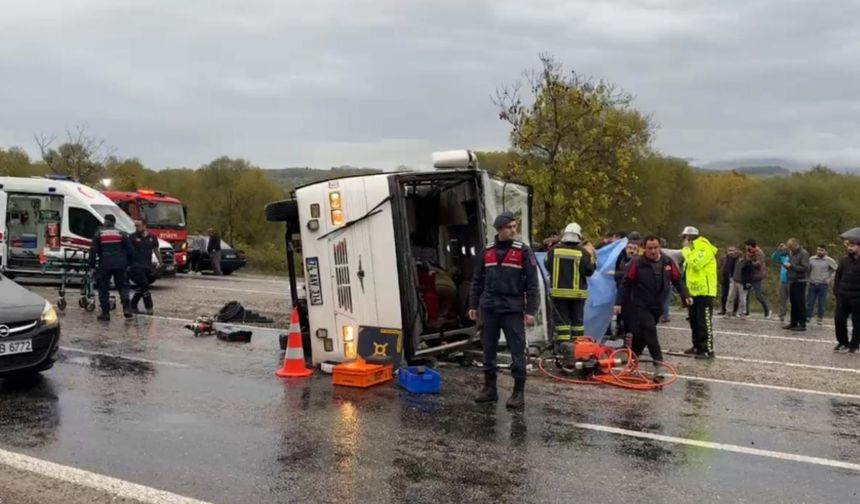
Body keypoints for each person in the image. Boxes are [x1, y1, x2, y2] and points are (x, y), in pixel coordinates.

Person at [469, 211, 539, 410]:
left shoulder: (523, 251)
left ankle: (518, 392)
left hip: (512, 308)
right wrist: (473, 305)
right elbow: (477, 280)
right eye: (510, 227)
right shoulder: (487, 251)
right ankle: (490, 389)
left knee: (517, 350)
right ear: (499, 229)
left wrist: (531, 311)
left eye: (514, 226)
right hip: (489, 307)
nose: (514, 230)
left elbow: (532, 285)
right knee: (488, 349)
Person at [614, 236, 692, 379]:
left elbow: (677, 280)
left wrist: (685, 295)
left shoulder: (667, 262)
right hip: (639, 304)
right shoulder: (637, 263)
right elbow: (625, 283)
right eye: (650, 248)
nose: (653, 251)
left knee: (641, 336)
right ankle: (658, 363)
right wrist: (618, 303)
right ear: (645, 248)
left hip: (657, 305)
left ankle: (633, 358)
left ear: (659, 247)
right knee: (650, 329)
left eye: (656, 247)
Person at [545, 222, 596, 351]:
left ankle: (562, 350)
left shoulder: (553, 250)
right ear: (579, 236)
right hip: (577, 295)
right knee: (577, 324)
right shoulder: (583, 253)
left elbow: (547, 265)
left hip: (558, 294)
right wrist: (593, 257)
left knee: (561, 324)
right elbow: (590, 271)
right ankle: (578, 350)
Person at [680, 226, 718, 359]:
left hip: (705, 292)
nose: (682, 242)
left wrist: (685, 251)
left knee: (704, 322)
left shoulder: (704, 247)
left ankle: (707, 349)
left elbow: (696, 264)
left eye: (683, 238)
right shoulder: (692, 250)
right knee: (693, 320)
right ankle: (697, 346)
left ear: (688, 238)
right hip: (693, 293)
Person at [88, 214, 133, 321]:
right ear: (114, 223)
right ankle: (126, 308)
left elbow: (93, 251)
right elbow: (130, 250)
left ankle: (105, 313)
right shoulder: (121, 233)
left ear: (105, 222)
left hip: (105, 264)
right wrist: (128, 263)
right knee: (123, 286)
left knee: (103, 288)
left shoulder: (99, 234)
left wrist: (92, 266)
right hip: (120, 264)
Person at [129, 219, 161, 315]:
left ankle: (132, 304)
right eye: (135, 226)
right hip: (136, 266)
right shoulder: (132, 237)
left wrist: (160, 261)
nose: (136, 228)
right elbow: (128, 251)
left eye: (138, 226)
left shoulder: (152, 237)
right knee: (145, 286)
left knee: (142, 286)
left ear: (144, 226)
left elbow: (156, 250)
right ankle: (149, 307)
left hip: (147, 266)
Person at [833, 238, 860, 353]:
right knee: (839, 319)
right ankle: (843, 342)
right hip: (843, 296)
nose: (849, 247)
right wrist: (837, 292)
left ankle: (854, 344)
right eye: (849, 245)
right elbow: (838, 276)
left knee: (857, 322)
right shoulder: (844, 260)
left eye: (853, 245)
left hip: (857, 297)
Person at [783, 238, 810, 331]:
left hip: (800, 280)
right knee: (793, 302)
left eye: (790, 247)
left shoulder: (804, 253)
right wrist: (787, 266)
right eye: (788, 247)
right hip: (792, 279)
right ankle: (793, 322)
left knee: (800, 303)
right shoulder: (791, 253)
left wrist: (792, 266)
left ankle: (802, 324)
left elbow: (805, 268)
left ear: (796, 245)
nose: (789, 249)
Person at [807, 245, 838, 325]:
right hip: (812, 283)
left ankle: (820, 318)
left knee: (821, 303)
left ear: (825, 251)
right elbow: (807, 269)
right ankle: (808, 317)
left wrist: (830, 278)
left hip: (823, 284)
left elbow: (837, 270)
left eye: (821, 250)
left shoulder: (829, 260)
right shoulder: (811, 259)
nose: (819, 251)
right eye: (818, 250)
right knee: (810, 302)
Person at [744, 239, 772, 318]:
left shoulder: (760, 253)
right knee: (746, 295)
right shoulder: (748, 253)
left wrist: (750, 262)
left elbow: (759, 264)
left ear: (750, 245)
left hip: (757, 276)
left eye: (746, 245)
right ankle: (746, 312)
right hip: (749, 276)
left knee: (758, 295)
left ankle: (767, 310)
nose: (745, 247)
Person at [726, 251, 752, 320]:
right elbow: (730, 266)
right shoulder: (735, 260)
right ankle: (728, 311)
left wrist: (748, 282)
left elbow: (750, 273)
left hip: (743, 283)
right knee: (730, 296)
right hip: (734, 281)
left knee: (742, 299)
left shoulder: (748, 263)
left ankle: (742, 313)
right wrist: (731, 276)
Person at [718, 246, 741, 316]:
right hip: (725, 279)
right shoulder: (723, 259)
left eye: (733, 250)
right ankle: (723, 309)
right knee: (724, 295)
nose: (731, 252)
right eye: (729, 250)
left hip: (734, 279)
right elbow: (720, 268)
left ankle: (734, 310)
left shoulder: (737, 259)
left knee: (734, 296)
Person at [771, 243, 791, 321]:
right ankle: (781, 315)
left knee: (793, 300)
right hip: (783, 280)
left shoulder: (794, 256)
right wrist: (778, 250)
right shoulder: (783, 256)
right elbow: (774, 258)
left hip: (792, 280)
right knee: (782, 299)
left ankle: (793, 316)